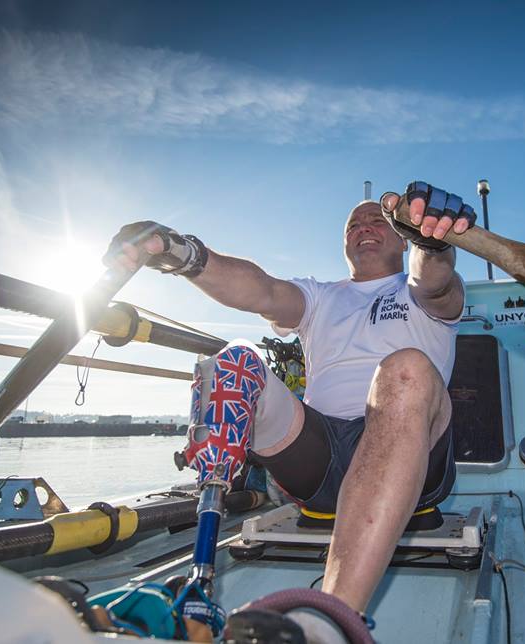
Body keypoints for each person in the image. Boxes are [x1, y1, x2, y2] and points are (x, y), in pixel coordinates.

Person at [105, 182, 476, 638]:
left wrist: (432, 242)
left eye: (377, 220)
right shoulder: (320, 297)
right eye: (353, 225)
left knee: (406, 370)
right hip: (318, 463)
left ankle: (330, 620)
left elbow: (433, 281)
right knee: (233, 361)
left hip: (415, 456)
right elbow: (260, 290)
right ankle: (200, 575)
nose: (363, 228)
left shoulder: (421, 291)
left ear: (402, 236)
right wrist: (180, 252)